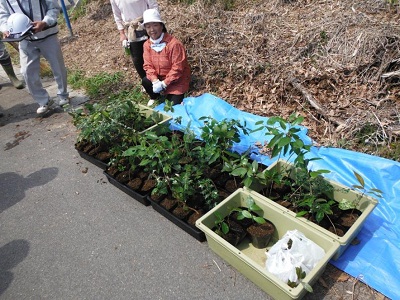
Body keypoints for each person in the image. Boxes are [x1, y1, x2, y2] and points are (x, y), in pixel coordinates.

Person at [0, 3, 69, 115]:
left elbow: (54, 7)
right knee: (26, 71)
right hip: (25, 39)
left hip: (48, 34)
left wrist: (45, 22)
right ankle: (44, 101)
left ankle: (63, 95)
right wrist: (6, 29)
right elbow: (2, 15)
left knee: (57, 66)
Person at [142, 9, 191, 106]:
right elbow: (148, 65)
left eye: (155, 25)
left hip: (176, 81)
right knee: (145, 81)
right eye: (148, 26)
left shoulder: (174, 44)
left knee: (171, 106)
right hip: (159, 78)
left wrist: (164, 83)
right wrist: (155, 81)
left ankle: (169, 92)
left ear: (161, 26)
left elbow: (178, 68)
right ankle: (154, 96)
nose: (152, 29)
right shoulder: (147, 45)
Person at [110, 0, 158, 79]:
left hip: (147, 25)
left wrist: (155, 25)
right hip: (131, 30)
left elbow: (153, 5)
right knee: (138, 60)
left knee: (156, 54)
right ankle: (147, 83)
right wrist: (122, 33)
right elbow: (117, 15)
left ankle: (162, 80)